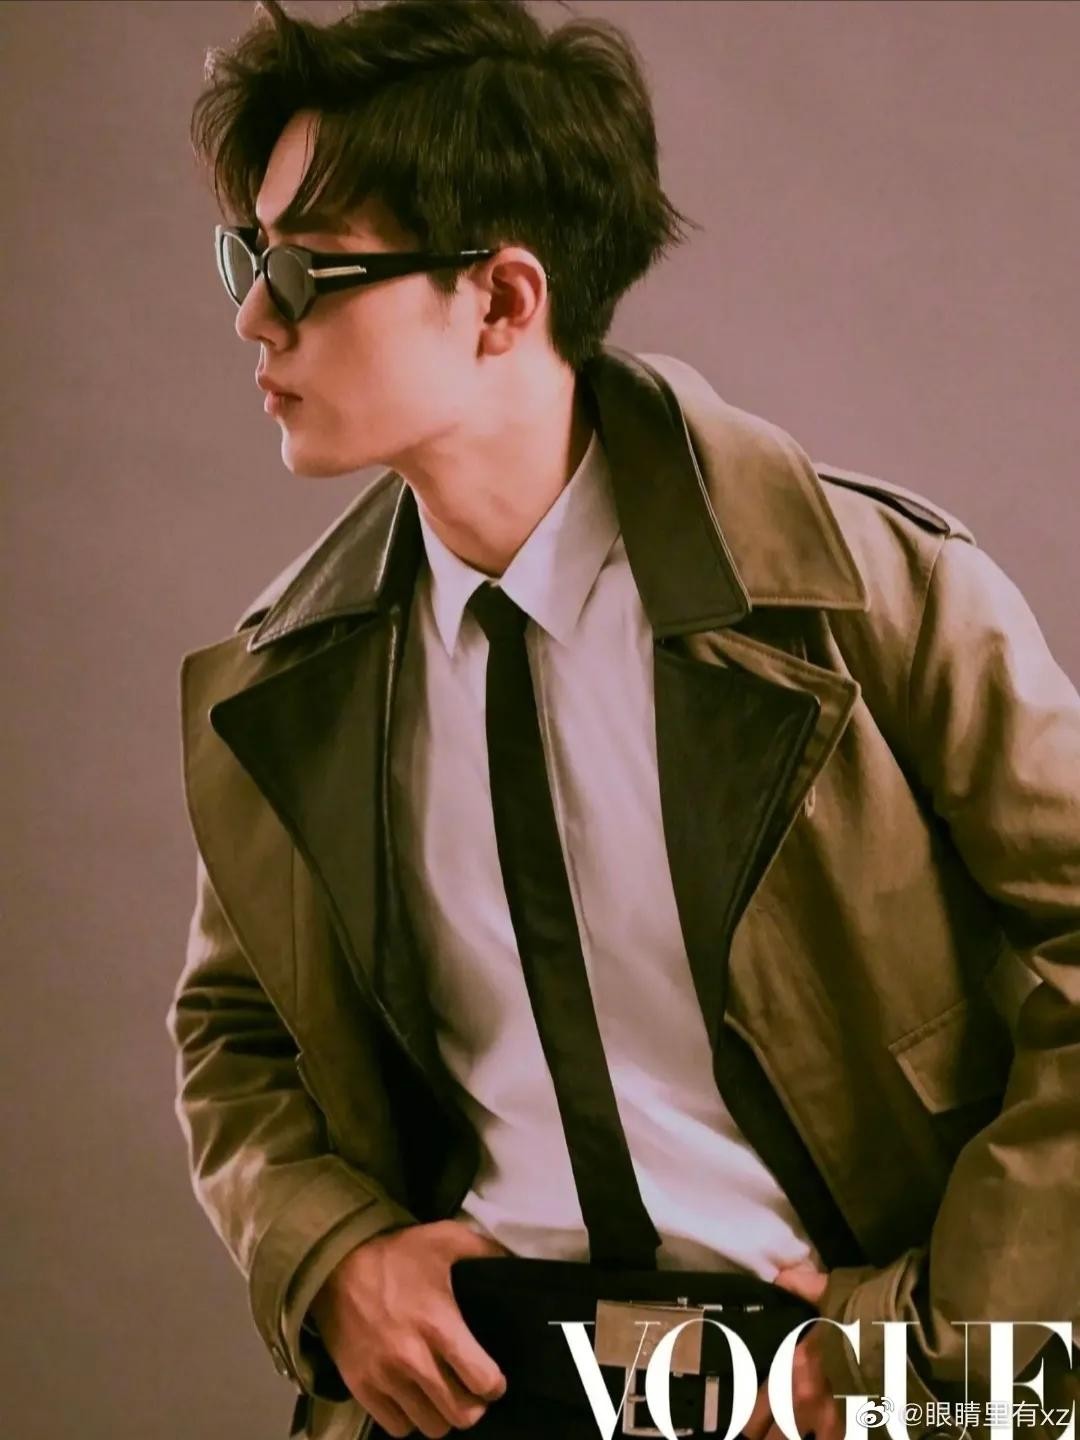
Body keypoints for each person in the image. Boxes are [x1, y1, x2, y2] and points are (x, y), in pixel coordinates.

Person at [167, 2, 1080, 1439]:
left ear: (502, 300)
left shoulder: (864, 591)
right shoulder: (293, 675)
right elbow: (234, 1027)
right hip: (477, 1385)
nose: (252, 316)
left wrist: (939, 1348)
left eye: (306, 270)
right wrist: (327, 1255)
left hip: (823, 1377)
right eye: (248, 257)